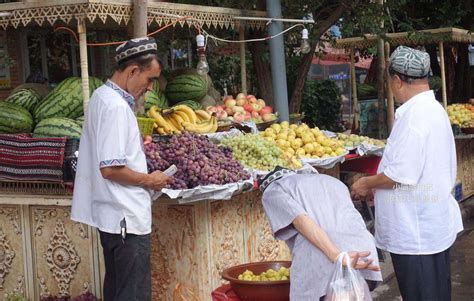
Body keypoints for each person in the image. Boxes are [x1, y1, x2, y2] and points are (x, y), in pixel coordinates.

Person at [351, 46, 463, 301]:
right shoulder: (434, 110)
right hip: (430, 225)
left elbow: (399, 176)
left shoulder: (414, 118)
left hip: (416, 232)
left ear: (397, 80)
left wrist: (366, 183)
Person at [71, 37, 169, 301]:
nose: (149, 88)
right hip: (125, 218)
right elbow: (111, 169)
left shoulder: (102, 97)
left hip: (114, 218)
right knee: (131, 294)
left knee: (118, 290)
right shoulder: (114, 107)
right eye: (149, 80)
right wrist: (151, 179)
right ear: (133, 71)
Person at [259, 167, 382, 301]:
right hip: (362, 250)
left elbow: (301, 221)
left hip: (327, 255)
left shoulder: (273, 190)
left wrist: (337, 256)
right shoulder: (331, 181)